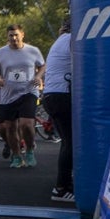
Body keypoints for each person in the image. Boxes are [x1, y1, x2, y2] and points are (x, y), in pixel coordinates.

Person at [0, 25, 46, 169]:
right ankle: (16, 155)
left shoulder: (33, 51)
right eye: (10, 36)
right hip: (8, 94)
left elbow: (42, 66)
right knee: (10, 127)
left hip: (28, 91)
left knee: (26, 124)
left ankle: (29, 150)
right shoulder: (1, 53)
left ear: (22, 35)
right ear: (7, 37)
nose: (13, 38)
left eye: (16, 35)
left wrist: (38, 76)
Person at [43, 16, 74, 202]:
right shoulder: (71, 40)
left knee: (68, 141)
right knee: (69, 142)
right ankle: (61, 188)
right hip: (61, 95)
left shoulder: (61, 40)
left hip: (54, 95)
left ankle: (65, 184)